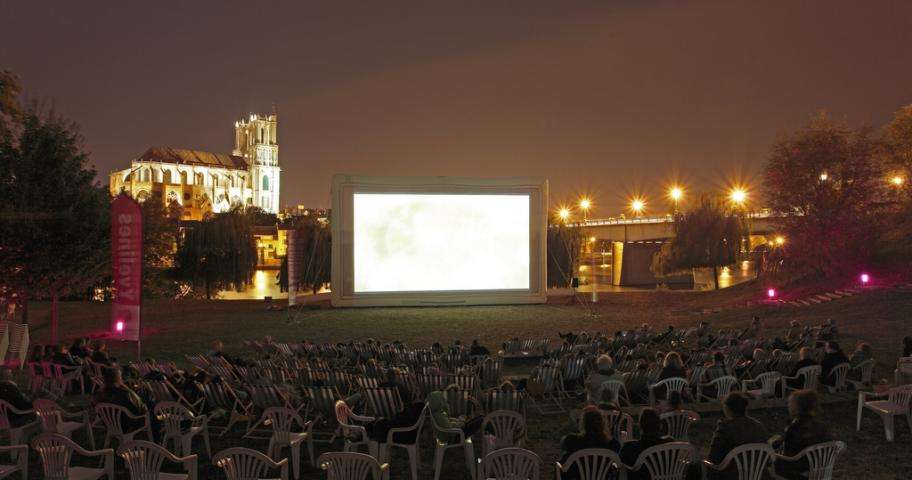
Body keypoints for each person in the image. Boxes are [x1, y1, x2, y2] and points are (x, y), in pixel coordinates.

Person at [705, 392, 769, 479]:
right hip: (757, 476)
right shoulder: (759, 426)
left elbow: (713, 457)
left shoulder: (725, 427)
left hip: (731, 476)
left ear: (727, 408)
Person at [773, 390, 832, 480]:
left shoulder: (795, 427)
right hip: (820, 467)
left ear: (797, 406)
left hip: (798, 469)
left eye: (790, 403)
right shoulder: (821, 426)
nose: (788, 405)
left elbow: (788, 453)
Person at [559, 406, 620, 479]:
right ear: (603, 424)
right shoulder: (613, 444)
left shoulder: (571, 440)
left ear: (583, 423)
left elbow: (563, 446)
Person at [619, 408, 673, 480]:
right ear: (660, 426)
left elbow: (620, 466)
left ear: (640, 426)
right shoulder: (670, 444)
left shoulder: (629, 448)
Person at [92, 367, 149, 432]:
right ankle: (157, 438)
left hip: (110, 425)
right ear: (118, 379)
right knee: (151, 409)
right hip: (128, 426)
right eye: (121, 377)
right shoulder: (126, 394)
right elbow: (139, 410)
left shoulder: (98, 395)